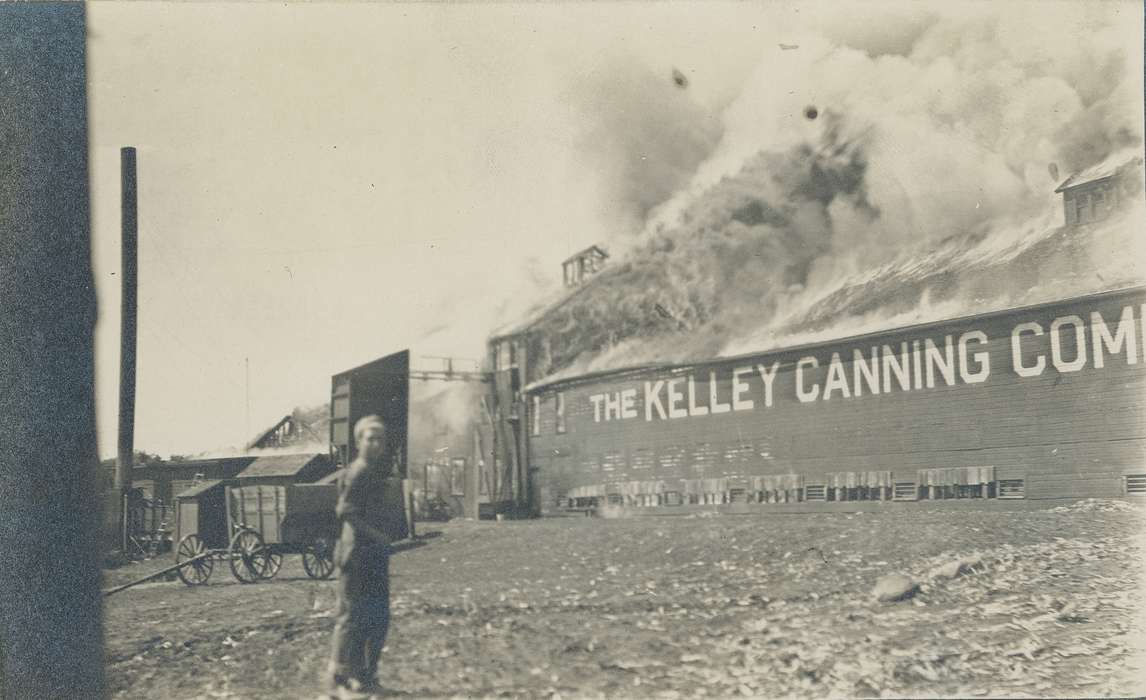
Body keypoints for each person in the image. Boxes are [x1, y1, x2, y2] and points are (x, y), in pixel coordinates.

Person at [326, 415, 405, 698]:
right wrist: (378, 536)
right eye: (369, 438)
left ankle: (363, 676)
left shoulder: (369, 471)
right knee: (353, 618)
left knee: (375, 617)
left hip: (370, 556)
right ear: (359, 442)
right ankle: (339, 680)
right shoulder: (359, 471)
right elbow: (344, 511)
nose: (375, 444)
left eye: (380, 439)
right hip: (358, 555)